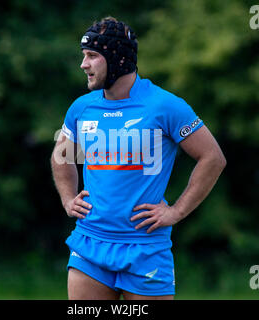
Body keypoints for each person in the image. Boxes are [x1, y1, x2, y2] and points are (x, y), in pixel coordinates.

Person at [51, 17, 226, 300]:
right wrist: (68, 198)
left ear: (118, 58)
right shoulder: (82, 108)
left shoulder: (165, 106)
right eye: (84, 56)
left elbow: (212, 158)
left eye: (92, 56)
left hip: (145, 248)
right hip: (90, 243)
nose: (84, 64)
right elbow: (62, 157)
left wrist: (176, 212)